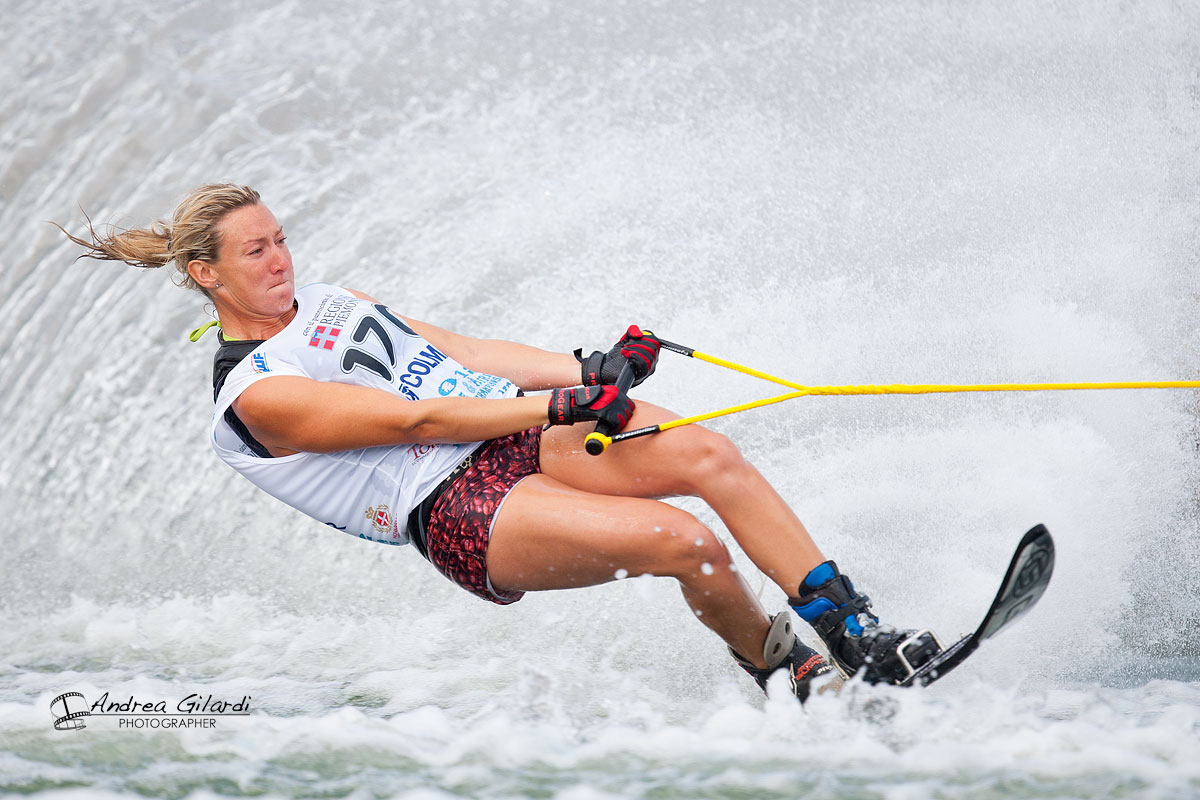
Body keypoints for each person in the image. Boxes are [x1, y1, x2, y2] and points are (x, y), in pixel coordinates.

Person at [58, 183, 942, 701]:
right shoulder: (256, 399)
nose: (281, 260)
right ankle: (794, 673)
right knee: (688, 544)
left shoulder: (328, 302)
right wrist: (556, 405)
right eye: (255, 252)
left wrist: (589, 363)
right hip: (455, 507)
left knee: (709, 458)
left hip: (514, 433)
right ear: (206, 273)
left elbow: (462, 356)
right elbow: (419, 423)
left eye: (281, 239)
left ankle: (857, 632)